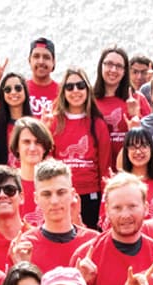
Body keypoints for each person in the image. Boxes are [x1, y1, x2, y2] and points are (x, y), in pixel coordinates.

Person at [75, 174, 153, 285]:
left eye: (132, 206)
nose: (125, 215)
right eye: (117, 208)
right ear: (106, 210)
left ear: (146, 208)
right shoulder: (85, 258)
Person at [50, 68, 113, 229]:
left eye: (80, 86)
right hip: (62, 195)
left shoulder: (97, 123)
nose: (75, 91)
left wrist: (105, 201)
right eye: (69, 87)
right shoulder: (55, 122)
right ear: (63, 92)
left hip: (90, 195)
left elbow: (105, 166)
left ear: (87, 89)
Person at [15, 161, 102, 274]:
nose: (54, 201)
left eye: (61, 193)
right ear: (36, 198)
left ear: (72, 195)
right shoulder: (24, 247)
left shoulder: (94, 241)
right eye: (46, 194)